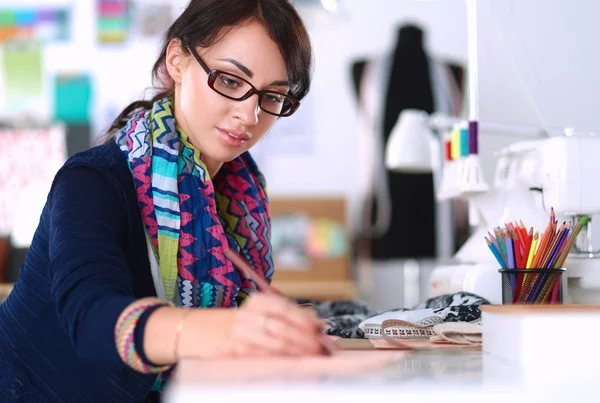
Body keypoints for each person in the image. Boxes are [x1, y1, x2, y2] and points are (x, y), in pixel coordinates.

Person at [0, 1, 323, 402]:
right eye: (230, 81)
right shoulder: (91, 181)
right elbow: (93, 321)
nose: (249, 115)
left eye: (273, 96)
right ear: (178, 60)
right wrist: (229, 330)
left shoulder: (239, 196)